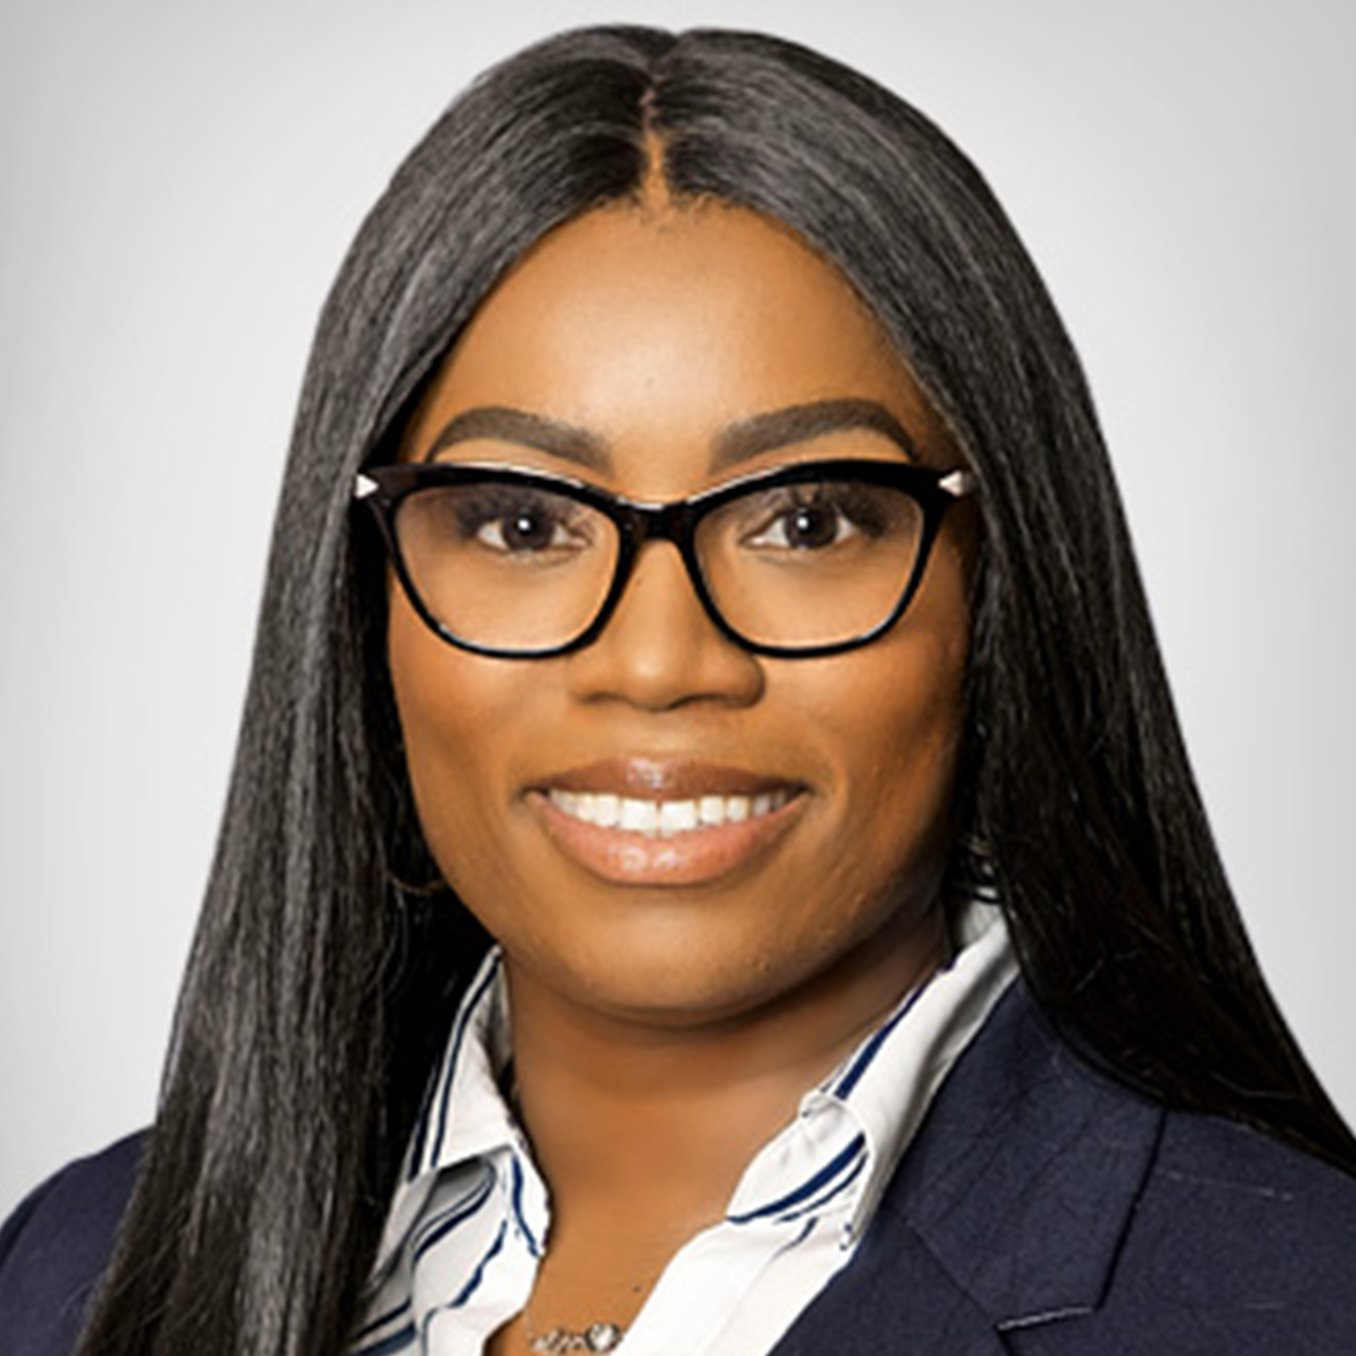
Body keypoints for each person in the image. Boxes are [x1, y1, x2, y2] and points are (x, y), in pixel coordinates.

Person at [2, 23, 1353, 1356]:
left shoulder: (1296, 1302)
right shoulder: (66, 1272)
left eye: (810, 520)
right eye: (523, 525)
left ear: (1001, 596)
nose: (658, 664)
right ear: (364, 613)